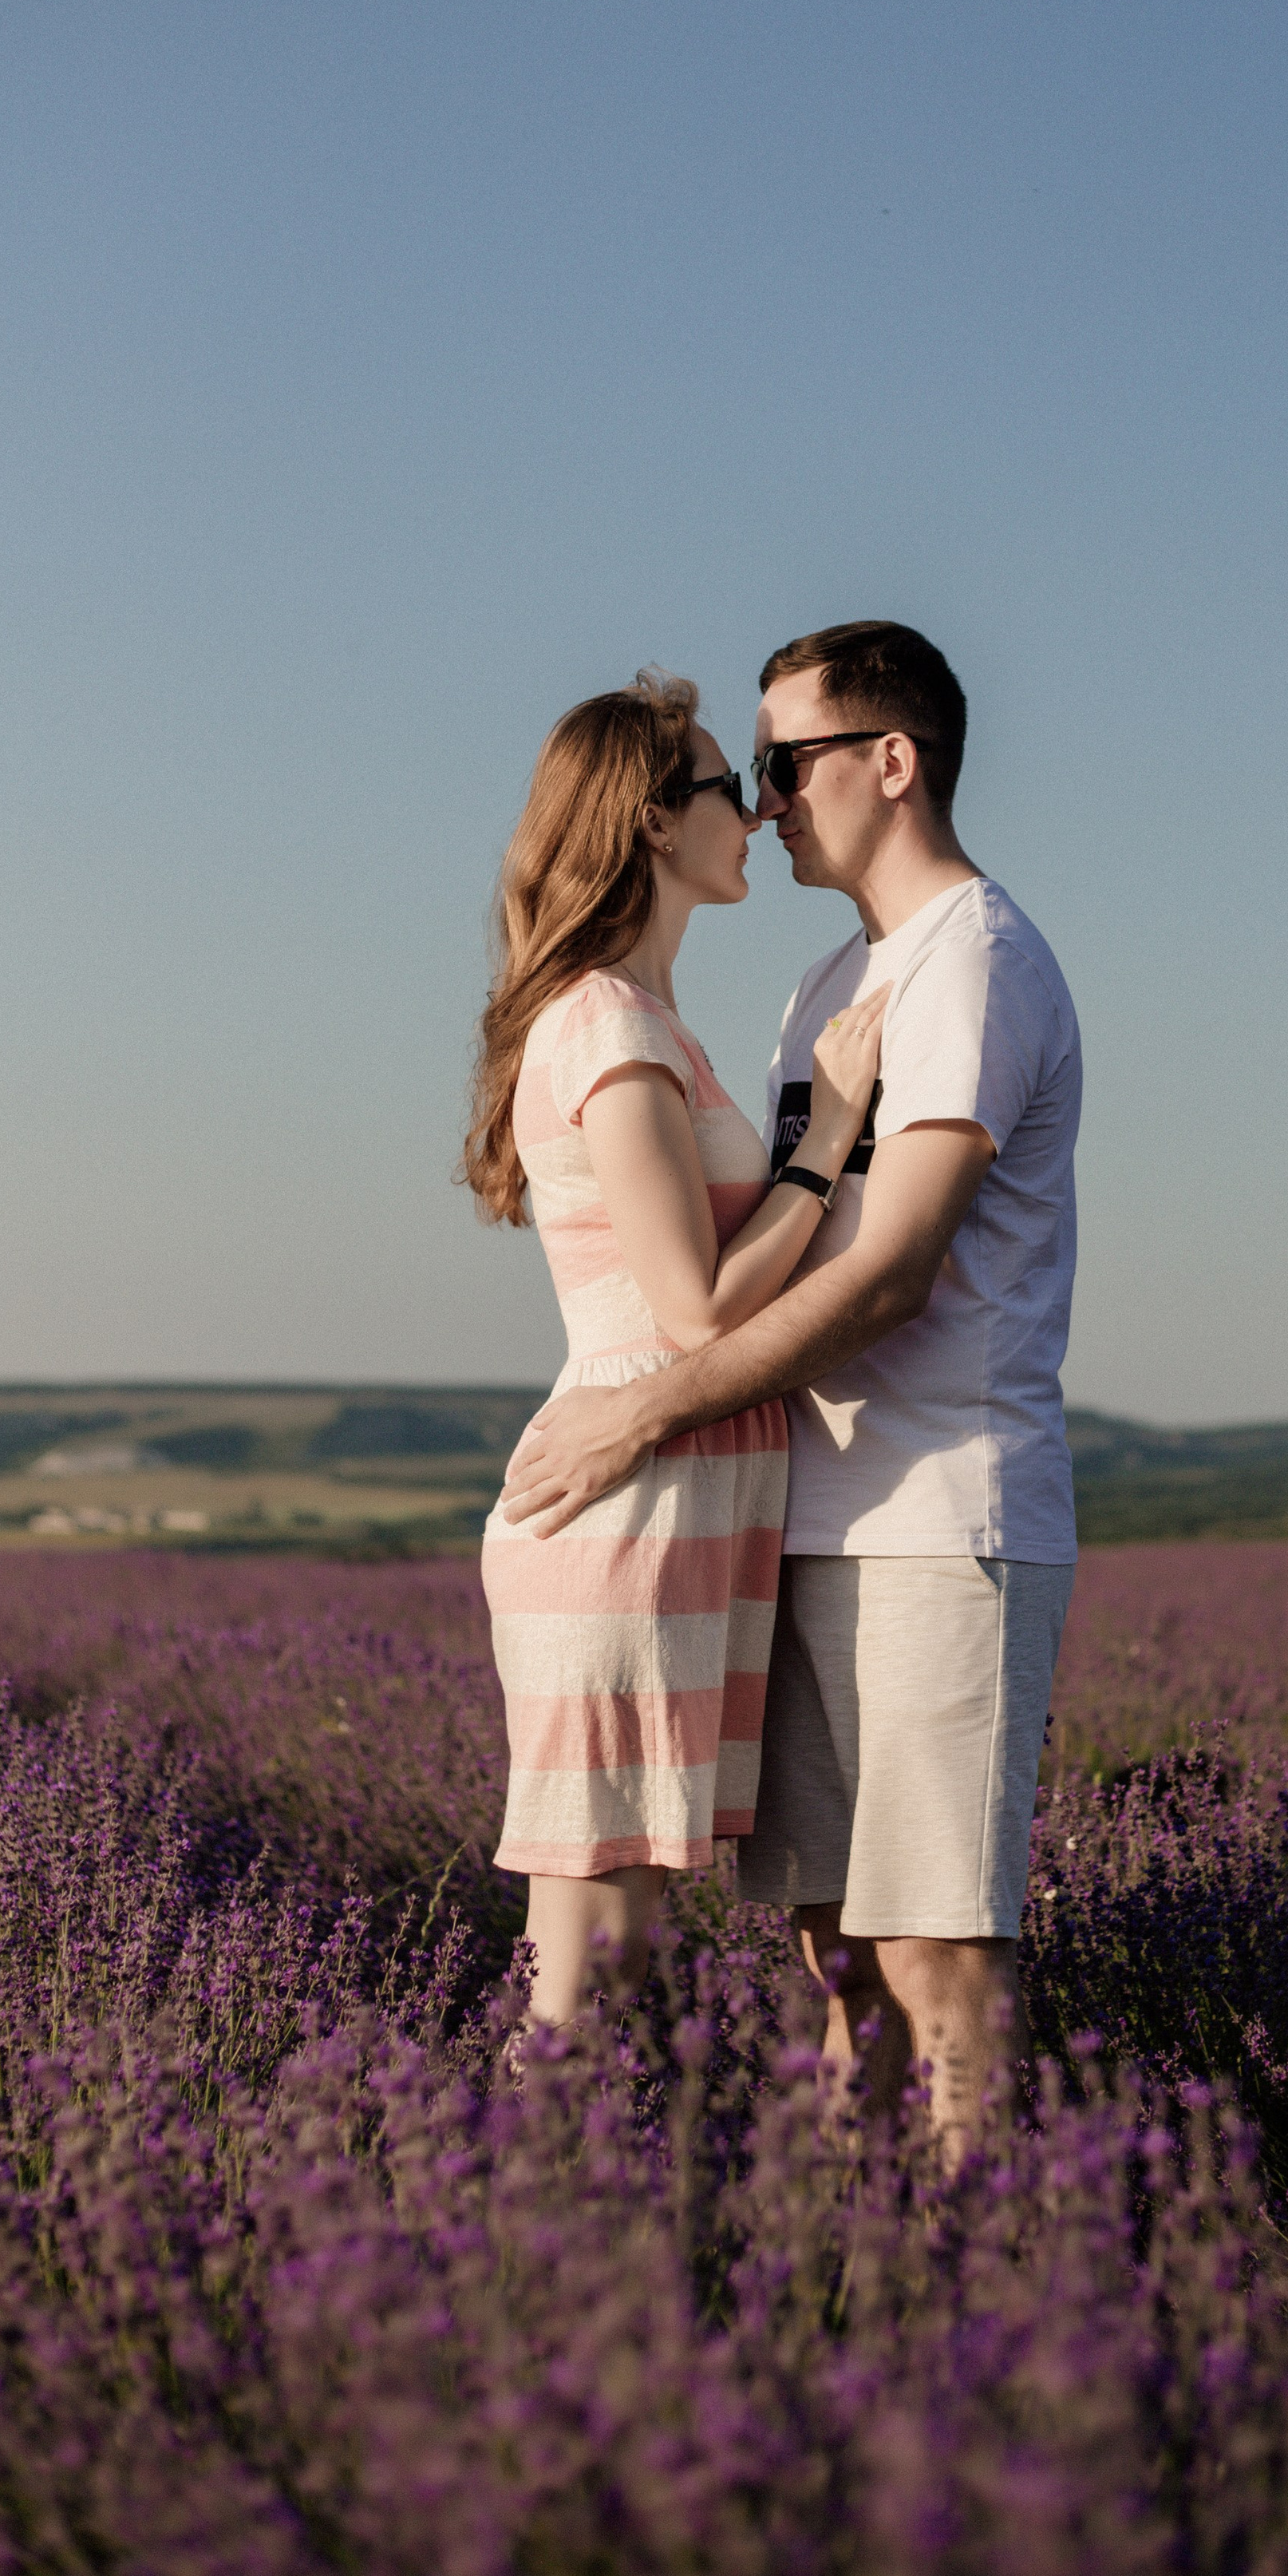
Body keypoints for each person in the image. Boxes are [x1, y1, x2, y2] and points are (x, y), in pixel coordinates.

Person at [501, 623, 1082, 2159]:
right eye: (741, 773)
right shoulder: (830, 983)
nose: (765, 799)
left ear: (892, 763)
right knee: (837, 1953)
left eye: (790, 762)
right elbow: (743, 1250)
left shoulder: (975, 966)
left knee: (939, 1951)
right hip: (797, 1516)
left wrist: (651, 1407)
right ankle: (867, 2285)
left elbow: (888, 1273)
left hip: (938, 1512)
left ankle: (991, 2287)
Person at [461, 671, 886, 2027]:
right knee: (590, 1958)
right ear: (651, 822)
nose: (757, 814)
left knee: (616, 1950)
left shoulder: (645, 1024)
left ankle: (548, 2220)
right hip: (625, 1510)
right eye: (726, 786)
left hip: (675, 1502)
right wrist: (826, 1141)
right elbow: (698, 1311)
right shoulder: (607, 1025)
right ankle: (516, 2232)